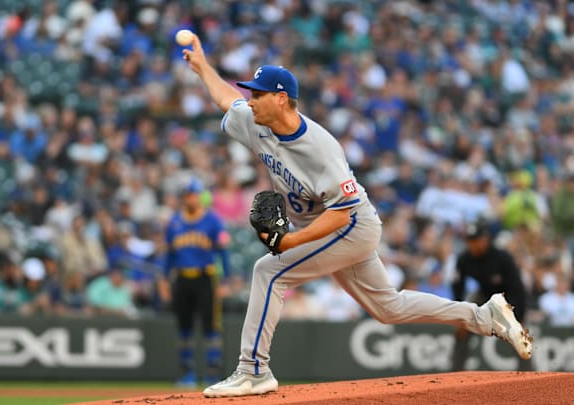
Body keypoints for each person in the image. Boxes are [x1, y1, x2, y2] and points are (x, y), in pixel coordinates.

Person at [181, 35, 533, 398]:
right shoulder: (257, 123)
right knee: (388, 307)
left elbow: (342, 211)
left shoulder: (320, 148)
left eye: (258, 94)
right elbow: (227, 100)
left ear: (281, 98)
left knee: (268, 271)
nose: (250, 101)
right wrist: (202, 66)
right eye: (251, 94)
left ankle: (253, 370)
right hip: (331, 230)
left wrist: (290, 242)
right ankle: (485, 316)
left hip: (351, 225)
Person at [159, 178, 233, 387]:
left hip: (206, 277)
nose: (190, 199)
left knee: (211, 326)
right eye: (187, 195)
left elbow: (223, 251)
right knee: (184, 327)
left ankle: (213, 371)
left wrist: (225, 279)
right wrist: (163, 280)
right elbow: (169, 255)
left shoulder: (213, 220)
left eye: (193, 195)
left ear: (200, 197)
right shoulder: (174, 222)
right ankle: (186, 372)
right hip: (182, 278)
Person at [451, 220, 530, 371]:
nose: (472, 244)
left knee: (521, 337)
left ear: (485, 239)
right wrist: (459, 317)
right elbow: (458, 287)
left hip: (508, 298)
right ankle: (455, 373)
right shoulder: (464, 259)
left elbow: (518, 289)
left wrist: (519, 318)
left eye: (476, 240)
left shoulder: (502, 258)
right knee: (462, 328)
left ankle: (528, 376)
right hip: (484, 296)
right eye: (470, 241)